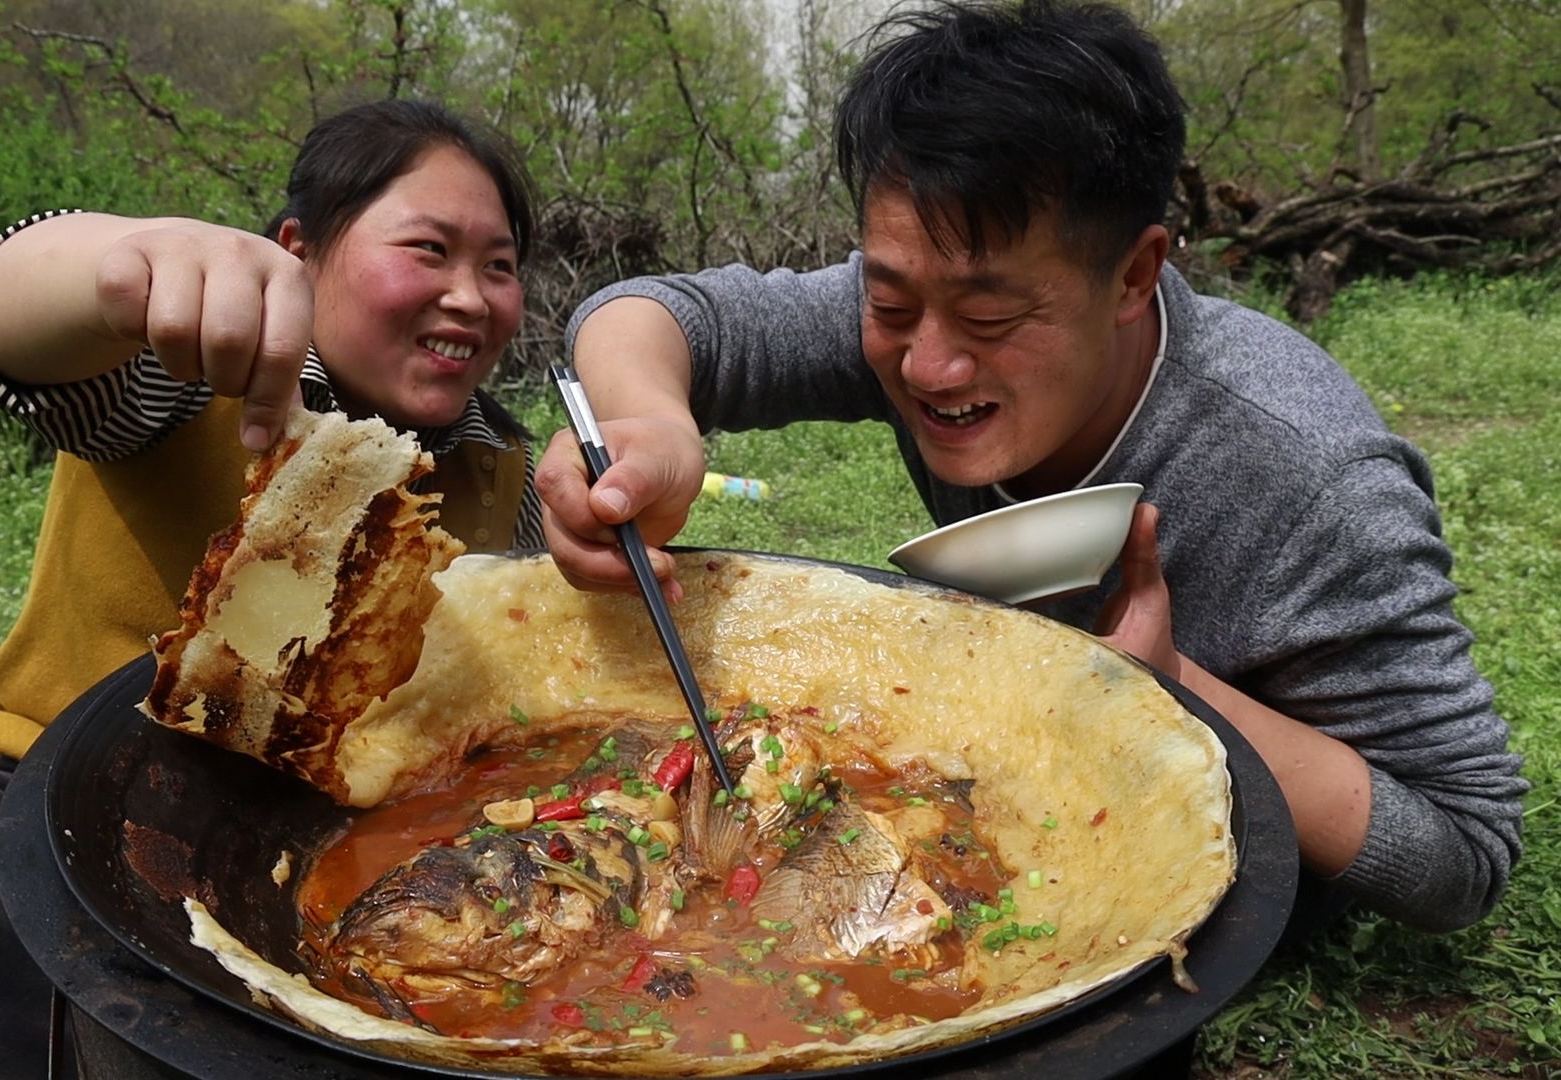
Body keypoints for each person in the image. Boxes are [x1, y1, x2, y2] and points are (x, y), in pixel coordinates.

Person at [535, 0, 1527, 948]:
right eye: (889, 302)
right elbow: (653, 313)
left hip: (1214, 870)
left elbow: (1466, 855)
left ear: (1134, 276)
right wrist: (648, 425)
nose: (929, 364)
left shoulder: (1305, 474)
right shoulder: (928, 299)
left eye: (991, 320)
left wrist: (1168, 688)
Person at [0, 98, 543, 1076]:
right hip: (27, 796)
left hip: (322, 863)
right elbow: (11, 339)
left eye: (499, 266)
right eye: (429, 249)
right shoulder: (198, 374)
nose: (470, 295)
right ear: (298, 250)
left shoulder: (501, 465)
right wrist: (121, 262)